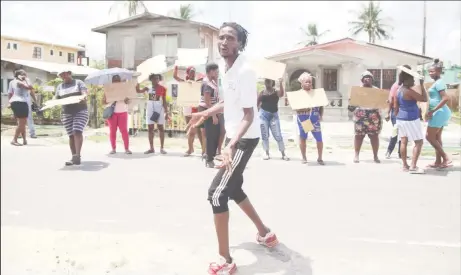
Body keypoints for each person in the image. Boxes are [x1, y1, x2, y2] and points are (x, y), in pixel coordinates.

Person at [187, 22, 278, 274]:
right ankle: (265, 234)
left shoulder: (245, 71)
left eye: (230, 38)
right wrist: (205, 112)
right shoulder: (229, 70)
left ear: (239, 43)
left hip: (244, 138)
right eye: (222, 37)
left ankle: (226, 261)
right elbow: (230, 102)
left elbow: (249, 114)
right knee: (234, 187)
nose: (224, 42)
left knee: (217, 193)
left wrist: (230, 144)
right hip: (238, 137)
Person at [394, 65, 428, 173]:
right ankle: (413, 166)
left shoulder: (398, 90)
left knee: (403, 141)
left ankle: (404, 166)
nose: (414, 80)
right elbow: (424, 98)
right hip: (411, 119)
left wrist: (396, 120)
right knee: (418, 142)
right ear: (406, 79)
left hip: (401, 118)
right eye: (412, 78)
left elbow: (396, 107)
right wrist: (422, 85)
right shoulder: (408, 91)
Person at [55, 70, 89, 165]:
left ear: (70, 73)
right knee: (71, 135)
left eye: (65, 74)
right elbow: (56, 99)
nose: (64, 76)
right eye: (61, 75)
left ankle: (78, 156)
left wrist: (84, 96)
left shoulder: (78, 82)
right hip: (66, 113)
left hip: (80, 110)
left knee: (77, 131)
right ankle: (73, 156)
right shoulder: (60, 87)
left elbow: (84, 93)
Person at [425, 59, 452, 169]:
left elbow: (446, 98)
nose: (430, 73)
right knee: (436, 137)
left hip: (439, 112)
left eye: (433, 71)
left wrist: (432, 110)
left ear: (439, 71)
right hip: (440, 112)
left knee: (429, 136)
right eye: (429, 71)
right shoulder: (436, 82)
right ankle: (438, 161)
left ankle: (446, 158)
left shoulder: (439, 82)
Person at [174, 65, 206, 158]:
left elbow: (205, 78)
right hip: (187, 108)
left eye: (194, 71)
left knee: (199, 130)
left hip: (196, 108)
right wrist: (176, 68)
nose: (193, 73)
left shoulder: (197, 83)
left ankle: (203, 150)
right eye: (191, 71)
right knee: (190, 130)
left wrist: (201, 77)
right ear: (188, 73)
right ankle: (190, 148)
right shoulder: (184, 82)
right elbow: (175, 77)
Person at [352, 71, 382, 163]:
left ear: (372, 80)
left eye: (369, 77)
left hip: (373, 115)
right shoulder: (357, 90)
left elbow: (381, 102)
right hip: (361, 115)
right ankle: (356, 155)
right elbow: (352, 105)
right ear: (362, 79)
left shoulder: (376, 90)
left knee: (374, 136)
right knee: (359, 136)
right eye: (365, 77)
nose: (367, 79)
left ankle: (375, 156)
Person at [295, 72, 324, 165]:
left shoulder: (316, 93)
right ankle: (304, 157)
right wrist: (306, 107)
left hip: (315, 119)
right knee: (303, 138)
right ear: (302, 83)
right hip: (304, 119)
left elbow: (321, 105)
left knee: (319, 139)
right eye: (306, 82)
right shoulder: (298, 94)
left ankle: (320, 158)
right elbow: (295, 107)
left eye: (310, 82)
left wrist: (320, 115)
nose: (309, 84)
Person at [136, 73, 169, 154]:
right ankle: (151, 148)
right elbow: (138, 91)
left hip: (159, 109)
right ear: (151, 79)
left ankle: (162, 148)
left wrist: (166, 112)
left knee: (160, 128)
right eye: (154, 78)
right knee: (150, 129)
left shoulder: (163, 88)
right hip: (150, 109)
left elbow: (164, 100)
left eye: (157, 78)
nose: (156, 80)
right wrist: (138, 82)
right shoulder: (148, 88)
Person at [258, 78, 289, 160]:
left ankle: (283, 153)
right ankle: (266, 152)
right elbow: (257, 104)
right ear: (265, 83)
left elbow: (281, 94)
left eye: (269, 81)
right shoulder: (262, 93)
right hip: (263, 115)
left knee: (278, 134)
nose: (268, 82)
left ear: (272, 82)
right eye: (266, 81)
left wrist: (281, 83)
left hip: (273, 116)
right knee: (264, 134)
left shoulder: (275, 92)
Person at [198, 62, 221, 168]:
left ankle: (208, 155)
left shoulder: (212, 82)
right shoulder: (207, 83)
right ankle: (209, 159)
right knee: (211, 135)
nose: (218, 73)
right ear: (211, 71)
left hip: (212, 110)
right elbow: (207, 102)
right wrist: (213, 115)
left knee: (216, 134)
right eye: (216, 71)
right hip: (208, 110)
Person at [103, 75, 132, 154]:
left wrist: (125, 99)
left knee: (124, 131)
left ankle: (126, 149)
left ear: (120, 81)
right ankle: (113, 149)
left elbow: (128, 101)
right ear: (112, 82)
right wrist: (112, 98)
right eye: (115, 81)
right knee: (112, 131)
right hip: (112, 113)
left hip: (122, 112)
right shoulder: (108, 90)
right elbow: (103, 102)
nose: (116, 82)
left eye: (118, 81)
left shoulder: (124, 90)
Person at [8, 69, 37, 146]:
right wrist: (26, 80)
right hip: (20, 102)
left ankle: (24, 140)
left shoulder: (14, 81)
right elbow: (30, 87)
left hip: (17, 102)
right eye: (24, 74)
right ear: (19, 75)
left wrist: (9, 103)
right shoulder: (19, 82)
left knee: (22, 122)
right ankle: (14, 139)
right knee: (22, 123)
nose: (26, 76)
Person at [384, 81, 401, 159]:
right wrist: (387, 113)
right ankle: (389, 151)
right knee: (395, 132)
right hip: (396, 112)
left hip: (406, 112)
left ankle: (401, 152)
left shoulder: (410, 85)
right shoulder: (396, 85)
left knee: (404, 134)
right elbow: (391, 100)